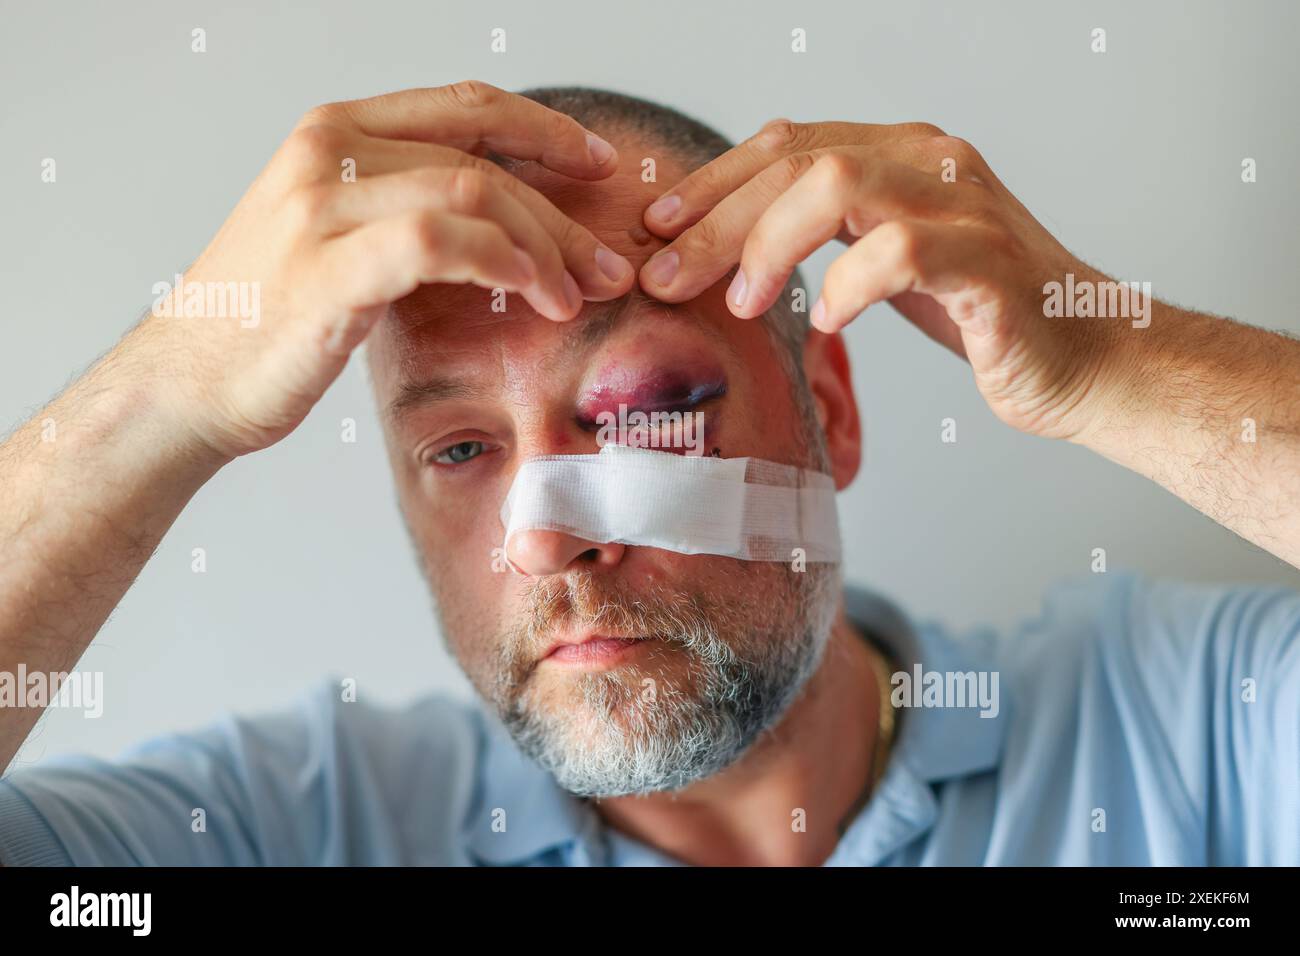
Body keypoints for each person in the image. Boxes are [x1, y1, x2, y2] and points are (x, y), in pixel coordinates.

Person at [0, 82, 1296, 867]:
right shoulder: (301, 831)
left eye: (646, 414)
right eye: (461, 449)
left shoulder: (1187, 733)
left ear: (827, 412)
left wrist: (1106, 360)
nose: (546, 538)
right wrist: (159, 397)